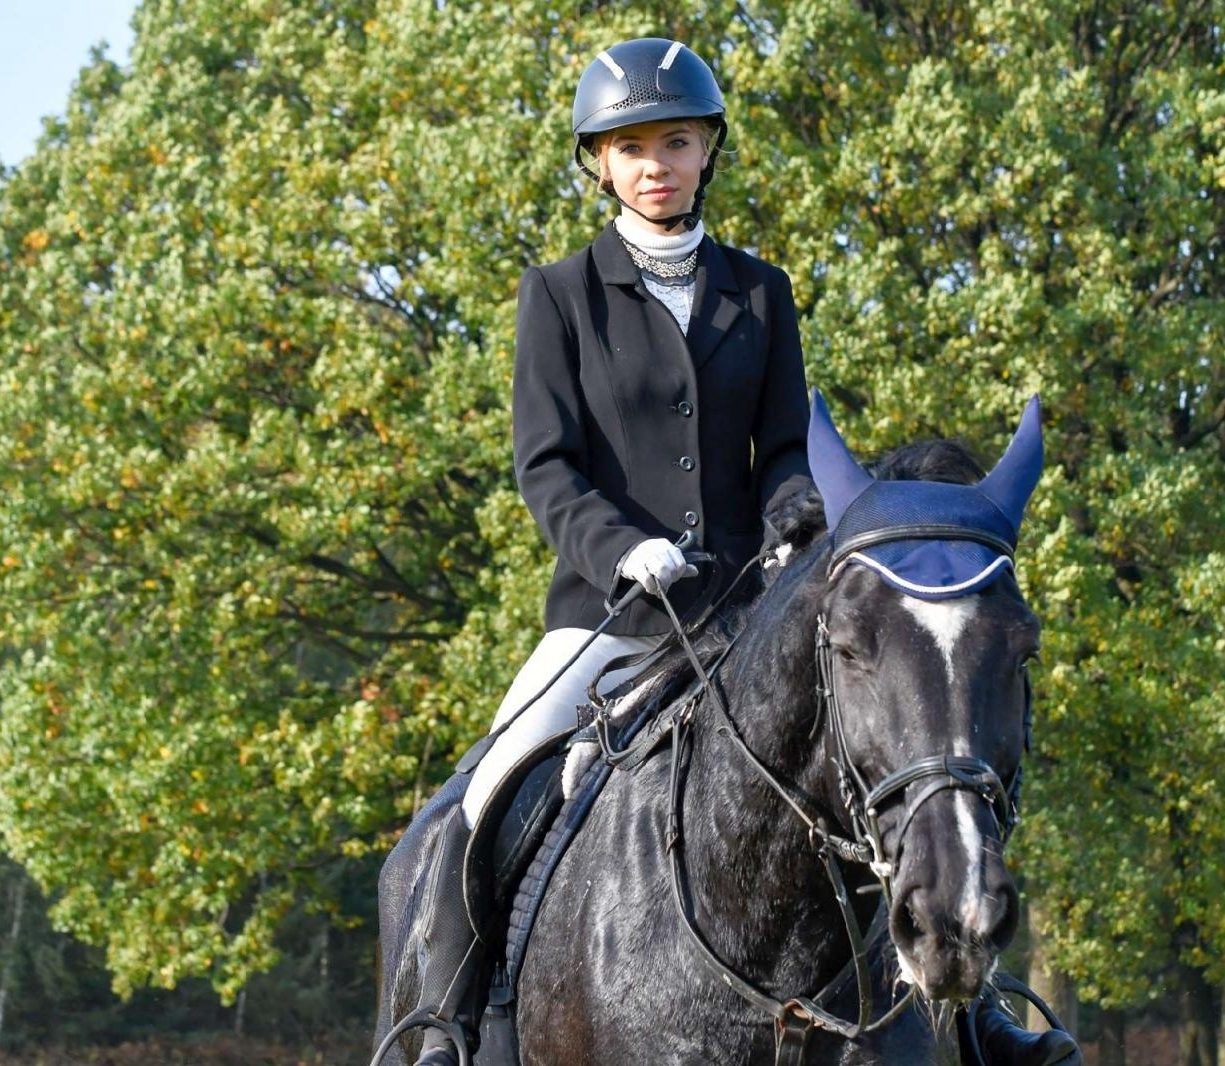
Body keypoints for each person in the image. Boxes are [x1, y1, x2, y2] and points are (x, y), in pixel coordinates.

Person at [397, 37, 812, 1066]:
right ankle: (444, 1029)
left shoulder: (762, 294)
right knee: (481, 796)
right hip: (608, 618)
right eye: (631, 147)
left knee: (875, 771)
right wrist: (622, 549)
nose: (655, 163)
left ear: (708, 148)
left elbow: (786, 449)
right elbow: (545, 467)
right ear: (599, 163)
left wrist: (795, 510)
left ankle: (957, 1013)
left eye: (675, 141)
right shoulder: (559, 294)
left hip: (741, 615)